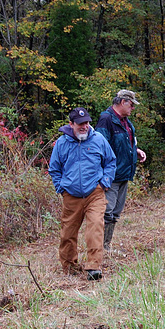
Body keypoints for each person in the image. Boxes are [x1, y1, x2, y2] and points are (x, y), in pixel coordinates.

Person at [49, 107, 116, 281]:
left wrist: (105, 183)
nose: (84, 126)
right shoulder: (62, 143)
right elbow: (54, 168)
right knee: (68, 233)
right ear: (71, 124)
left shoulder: (99, 140)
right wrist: (61, 188)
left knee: (95, 226)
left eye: (86, 123)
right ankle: (69, 266)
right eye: (80, 124)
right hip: (71, 195)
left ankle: (94, 266)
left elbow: (110, 162)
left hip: (95, 192)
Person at [95, 89, 147, 252]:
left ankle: (106, 246)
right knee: (106, 212)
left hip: (124, 174)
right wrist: (103, 176)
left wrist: (135, 151)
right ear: (123, 102)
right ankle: (98, 248)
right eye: (131, 105)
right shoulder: (106, 120)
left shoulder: (126, 122)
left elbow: (125, 142)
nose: (133, 108)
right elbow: (100, 148)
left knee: (115, 213)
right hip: (110, 177)